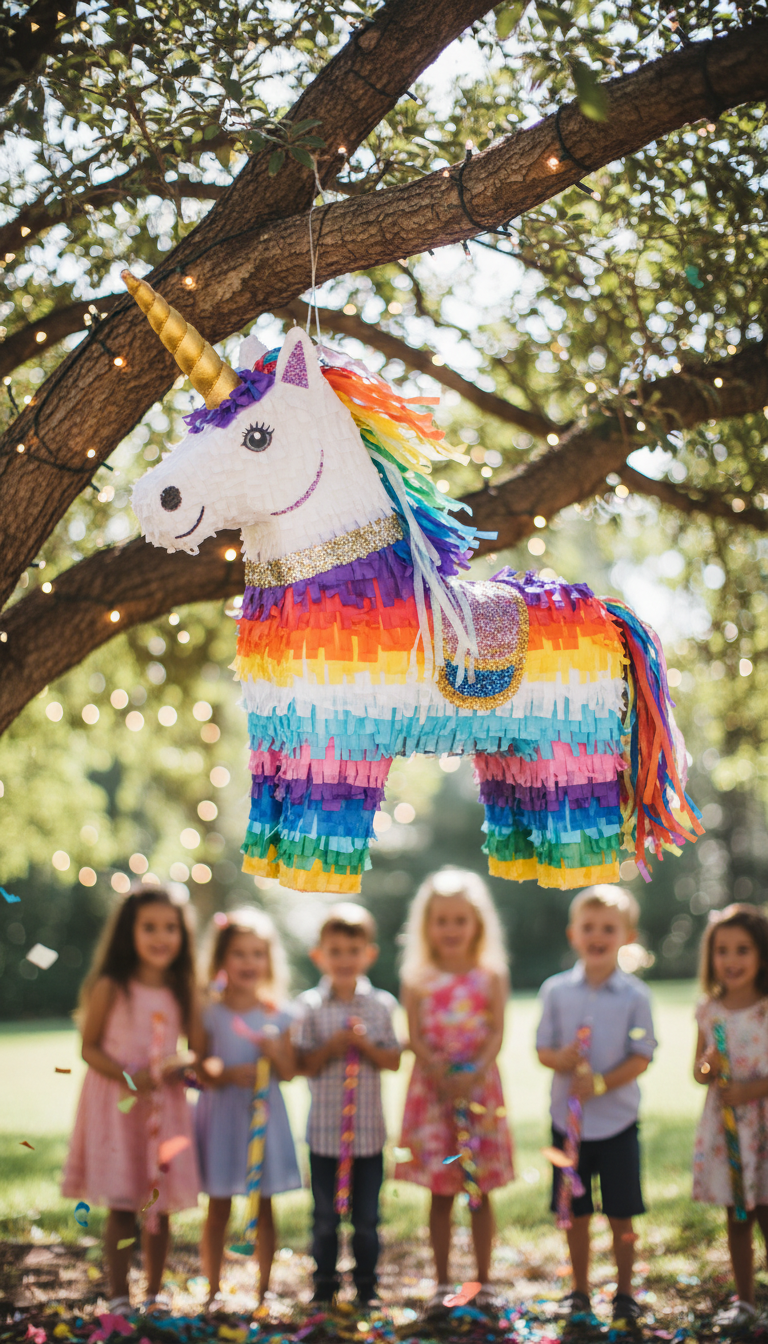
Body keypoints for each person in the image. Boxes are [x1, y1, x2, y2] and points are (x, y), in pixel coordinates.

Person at [61, 886, 202, 1315]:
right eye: (150, 927)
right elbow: (88, 1049)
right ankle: (120, 1296)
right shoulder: (111, 986)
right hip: (118, 1106)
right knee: (123, 1201)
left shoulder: (183, 989)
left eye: (171, 928)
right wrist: (129, 1076)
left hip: (164, 1106)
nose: (162, 937)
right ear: (129, 932)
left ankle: (156, 1293)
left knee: (158, 1205)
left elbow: (196, 1049)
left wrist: (180, 1064)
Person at [394, 868, 514, 1314]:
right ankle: (443, 1282)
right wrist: (440, 1072)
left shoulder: (490, 975)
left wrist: (473, 1072)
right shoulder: (418, 979)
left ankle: (483, 1280)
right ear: (427, 926)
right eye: (441, 920)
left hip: (479, 1094)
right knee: (441, 1190)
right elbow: (416, 1037)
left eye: (459, 920)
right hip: (434, 1096)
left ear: (477, 924)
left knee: (479, 1190)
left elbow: (497, 1032)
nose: (450, 929)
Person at [536, 884, 656, 1325]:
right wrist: (560, 1059)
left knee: (621, 1211)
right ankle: (579, 1290)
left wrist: (602, 1083)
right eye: (589, 927)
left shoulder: (635, 996)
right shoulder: (556, 991)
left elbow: (643, 1053)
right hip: (568, 1126)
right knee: (576, 1213)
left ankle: (625, 1292)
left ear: (627, 935)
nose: (597, 935)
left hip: (617, 1122)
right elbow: (542, 1050)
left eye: (608, 927)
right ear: (573, 934)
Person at [294, 902, 401, 1307]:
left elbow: (393, 1060)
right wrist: (333, 1046)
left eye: (352, 951)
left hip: (368, 1138)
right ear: (319, 954)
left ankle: (367, 1287)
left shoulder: (381, 1005)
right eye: (334, 951)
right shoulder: (309, 1006)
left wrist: (364, 1045)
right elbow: (302, 1064)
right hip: (323, 1137)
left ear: (369, 954)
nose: (344, 959)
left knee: (367, 1221)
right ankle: (323, 1286)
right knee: (324, 1220)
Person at [195, 907, 300, 1308]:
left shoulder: (278, 1013)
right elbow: (200, 1064)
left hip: (264, 1117)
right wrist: (223, 1073)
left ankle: (265, 1287)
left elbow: (290, 1072)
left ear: (268, 961)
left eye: (258, 954)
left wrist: (275, 1052)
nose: (249, 962)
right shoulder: (210, 1011)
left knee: (266, 1203)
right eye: (239, 953)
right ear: (222, 958)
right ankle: (214, 1289)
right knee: (218, 1204)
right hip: (222, 1116)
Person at [692, 903, 768, 1329]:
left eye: (743, 950)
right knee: (737, 1217)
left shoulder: (766, 1008)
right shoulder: (709, 1011)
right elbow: (698, 1072)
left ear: (762, 955)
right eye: (723, 950)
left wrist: (750, 1090)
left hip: (764, 1127)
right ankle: (746, 1301)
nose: (731, 960)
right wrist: (709, 1064)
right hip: (729, 1131)